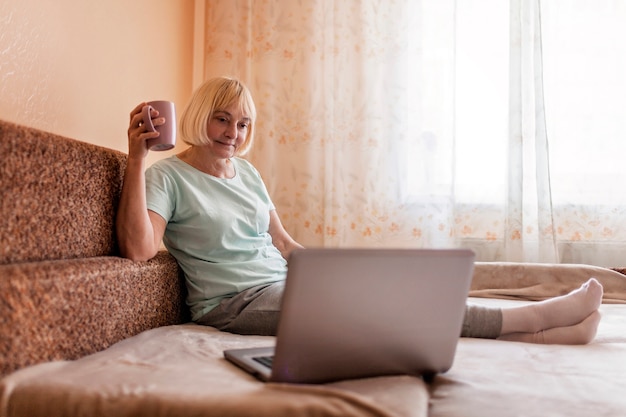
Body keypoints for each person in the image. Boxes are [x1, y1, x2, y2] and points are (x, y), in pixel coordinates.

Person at [116, 76, 603, 345]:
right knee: (382, 310)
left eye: (243, 124)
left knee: (389, 287)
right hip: (233, 303)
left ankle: (537, 333)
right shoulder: (168, 176)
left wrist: (341, 271)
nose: (232, 133)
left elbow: (284, 245)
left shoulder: (248, 174)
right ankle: (533, 319)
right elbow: (139, 250)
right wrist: (137, 158)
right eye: (223, 119)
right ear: (202, 116)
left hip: (283, 282)